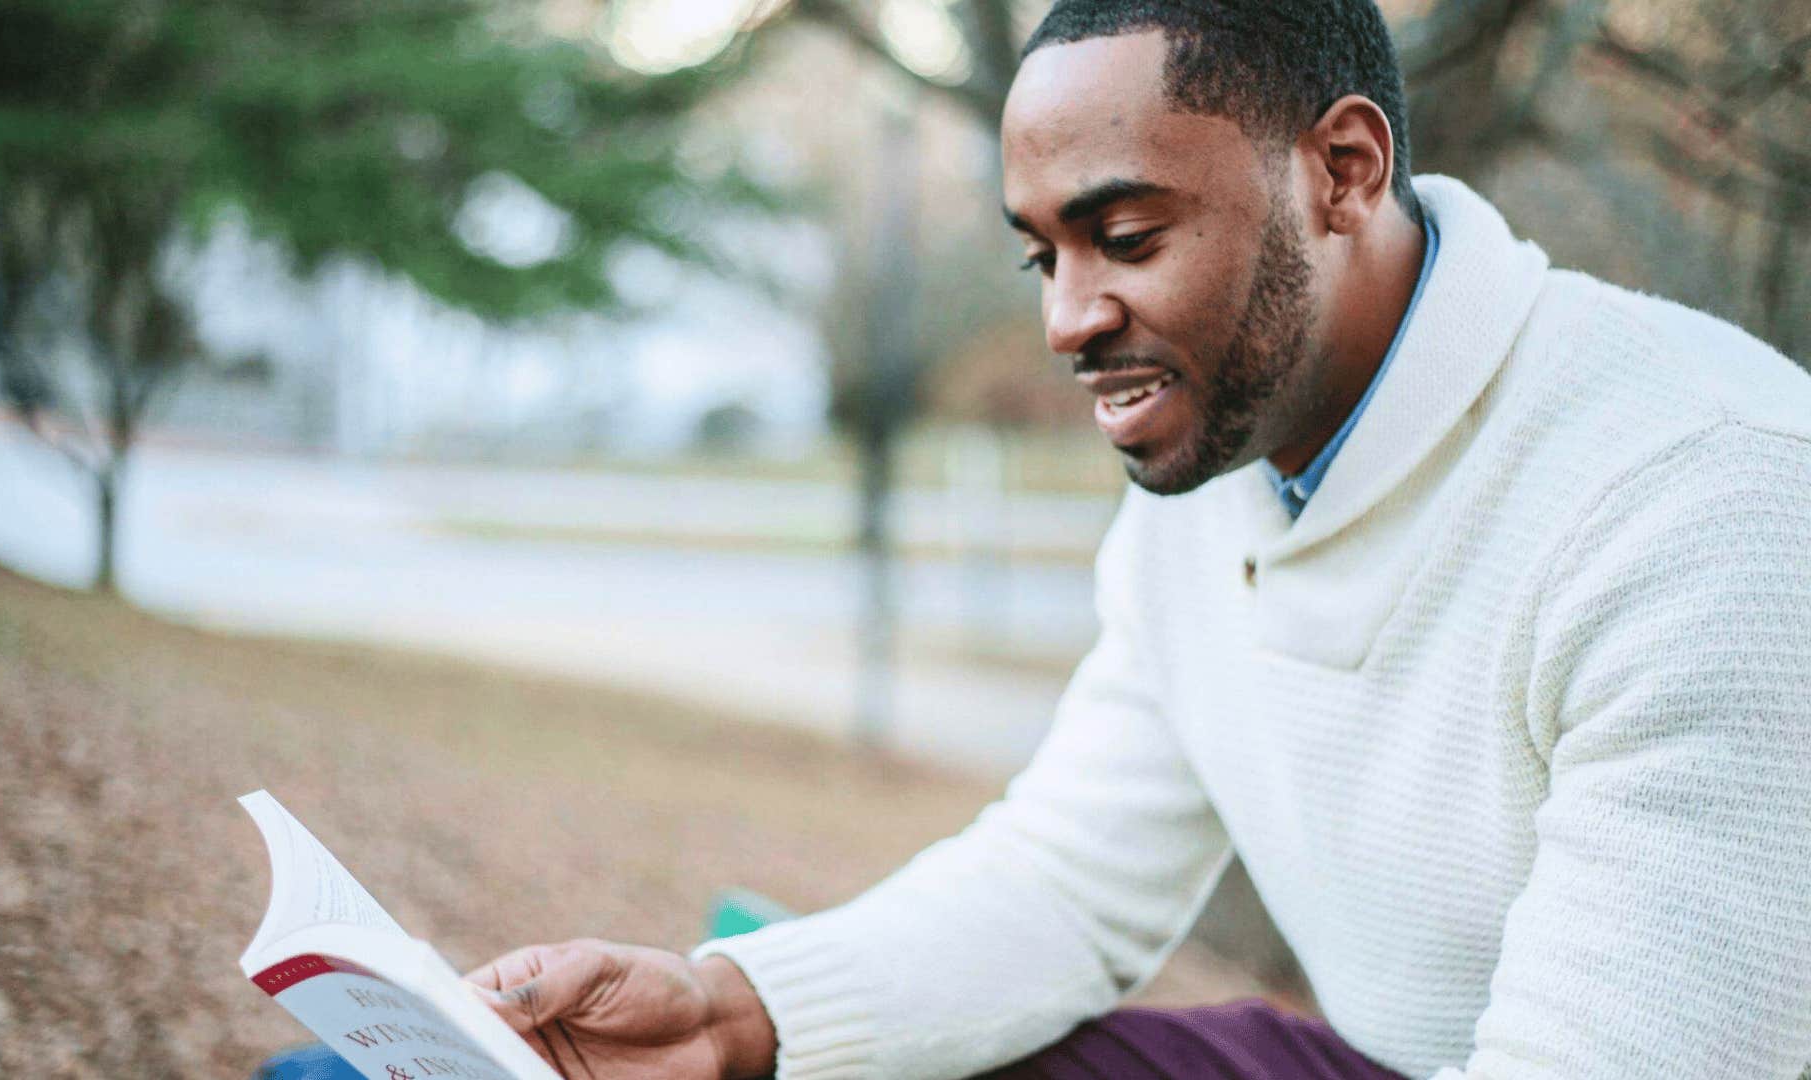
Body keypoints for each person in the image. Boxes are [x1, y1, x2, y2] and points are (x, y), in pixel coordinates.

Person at [465, 2, 1811, 1078]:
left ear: (1343, 172)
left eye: (1124, 236)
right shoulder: (1220, 466)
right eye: (1042, 256)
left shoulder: (1703, 501)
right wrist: (727, 1016)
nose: (1066, 319)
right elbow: (1066, 883)